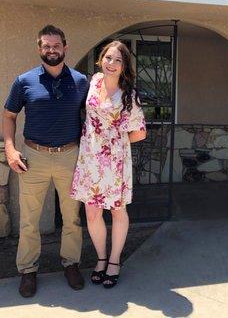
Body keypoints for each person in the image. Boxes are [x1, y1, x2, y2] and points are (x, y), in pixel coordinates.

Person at [3, 25, 89, 297]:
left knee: (72, 217)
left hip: (70, 156)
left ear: (65, 47)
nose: (51, 50)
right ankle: (28, 271)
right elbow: (9, 116)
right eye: (46, 46)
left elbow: (93, 117)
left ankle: (71, 264)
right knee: (29, 219)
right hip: (33, 157)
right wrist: (10, 148)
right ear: (39, 49)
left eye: (56, 45)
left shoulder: (80, 81)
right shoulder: (24, 81)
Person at [70, 40, 146, 288]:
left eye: (118, 60)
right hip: (89, 158)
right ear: (100, 59)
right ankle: (101, 259)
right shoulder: (92, 83)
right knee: (92, 212)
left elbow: (140, 133)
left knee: (117, 210)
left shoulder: (129, 96)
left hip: (114, 162)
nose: (112, 64)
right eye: (108, 58)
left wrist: (115, 139)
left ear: (125, 66)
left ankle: (114, 261)